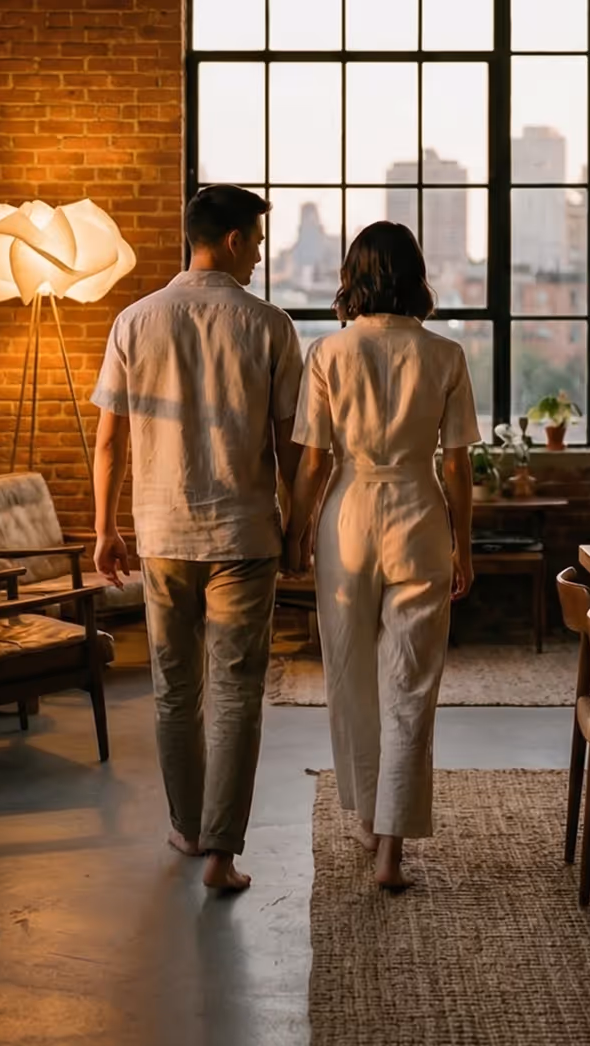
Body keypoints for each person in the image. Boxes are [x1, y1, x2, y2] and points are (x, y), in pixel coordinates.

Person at [92, 185, 303, 892]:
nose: (261, 255)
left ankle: (186, 828)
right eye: (258, 241)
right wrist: (297, 526)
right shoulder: (269, 325)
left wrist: (105, 528)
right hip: (244, 534)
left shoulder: (134, 320)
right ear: (235, 240)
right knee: (238, 692)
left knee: (174, 690)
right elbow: (290, 448)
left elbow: (110, 440)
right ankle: (221, 854)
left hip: (162, 533)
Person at [284, 221, 480, 889]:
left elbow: (314, 462)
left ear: (354, 276)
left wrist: (296, 531)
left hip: (348, 516)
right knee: (411, 684)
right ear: (415, 276)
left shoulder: (328, 351)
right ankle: (390, 850)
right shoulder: (446, 354)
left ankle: (369, 818)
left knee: (349, 675)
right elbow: (456, 466)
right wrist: (463, 544)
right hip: (419, 515)